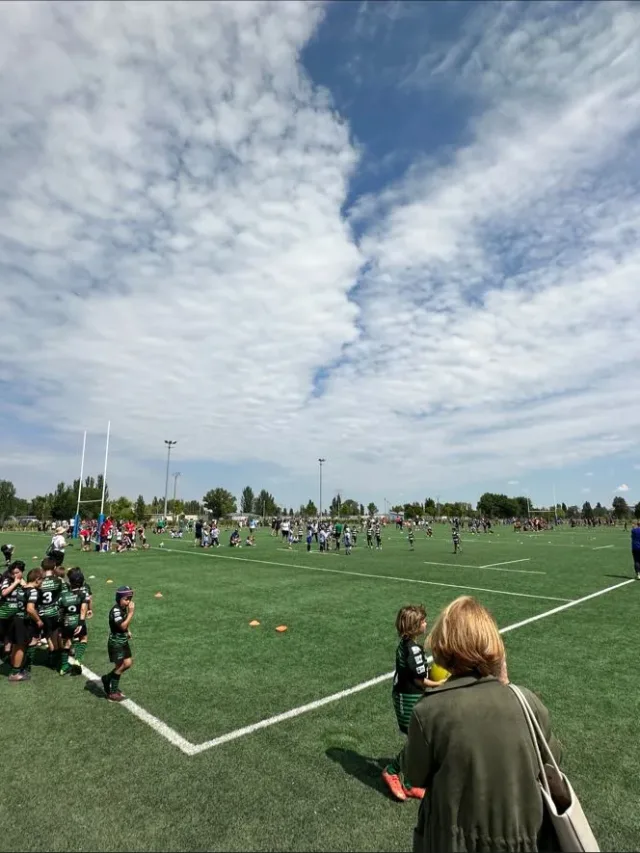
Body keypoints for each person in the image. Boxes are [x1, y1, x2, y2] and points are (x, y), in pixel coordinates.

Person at [405, 596, 563, 853]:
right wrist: (507, 684)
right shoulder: (527, 702)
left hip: (452, 841)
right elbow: (553, 761)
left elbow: (414, 775)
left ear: (444, 646)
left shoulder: (429, 711)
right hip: (524, 840)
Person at [382, 605, 443, 802]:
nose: (426, 623)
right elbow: (420, 681)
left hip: (411, 694)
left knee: (422, 738)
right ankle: (391, 771)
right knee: (418, 739)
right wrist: (442, 683)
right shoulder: (412, 649)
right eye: (423, 621)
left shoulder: (408, 645)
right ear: (414, 626)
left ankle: (409, 784)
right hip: (406, 697)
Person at [10, 567, 44, 681]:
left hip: (15, 619)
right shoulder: (33, 591)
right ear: (37, 579)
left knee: (16, 645)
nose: (42, 583)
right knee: (21, 647)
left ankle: (15, 668)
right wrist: (38, 620)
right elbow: (30, 609)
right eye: (42, 580)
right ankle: (15, 674)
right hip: (23, 622)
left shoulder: (22, 588)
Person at [101, 586, 135, 702]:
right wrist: (131, 613)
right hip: (116, 643)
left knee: (128, 663)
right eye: (126, 599)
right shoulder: (116, 610)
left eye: (130, 598)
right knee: (120, 666)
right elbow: (122, 625)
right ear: (119, 598)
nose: (129, 601)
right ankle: (113, 692)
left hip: (122, 641)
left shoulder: (123, 608)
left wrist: (127, 631)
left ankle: (107, 679)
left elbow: (124, 624)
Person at [58, 568, 88, 675]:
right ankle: (77, 660)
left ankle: (64, 667)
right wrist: (81, 623)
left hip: (66, 622)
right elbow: (84, 609)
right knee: (83, 639)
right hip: (77, 621)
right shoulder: (83, 594)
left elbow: (60, 612)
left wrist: (61, 626)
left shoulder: (63, 596)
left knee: (67, 643)